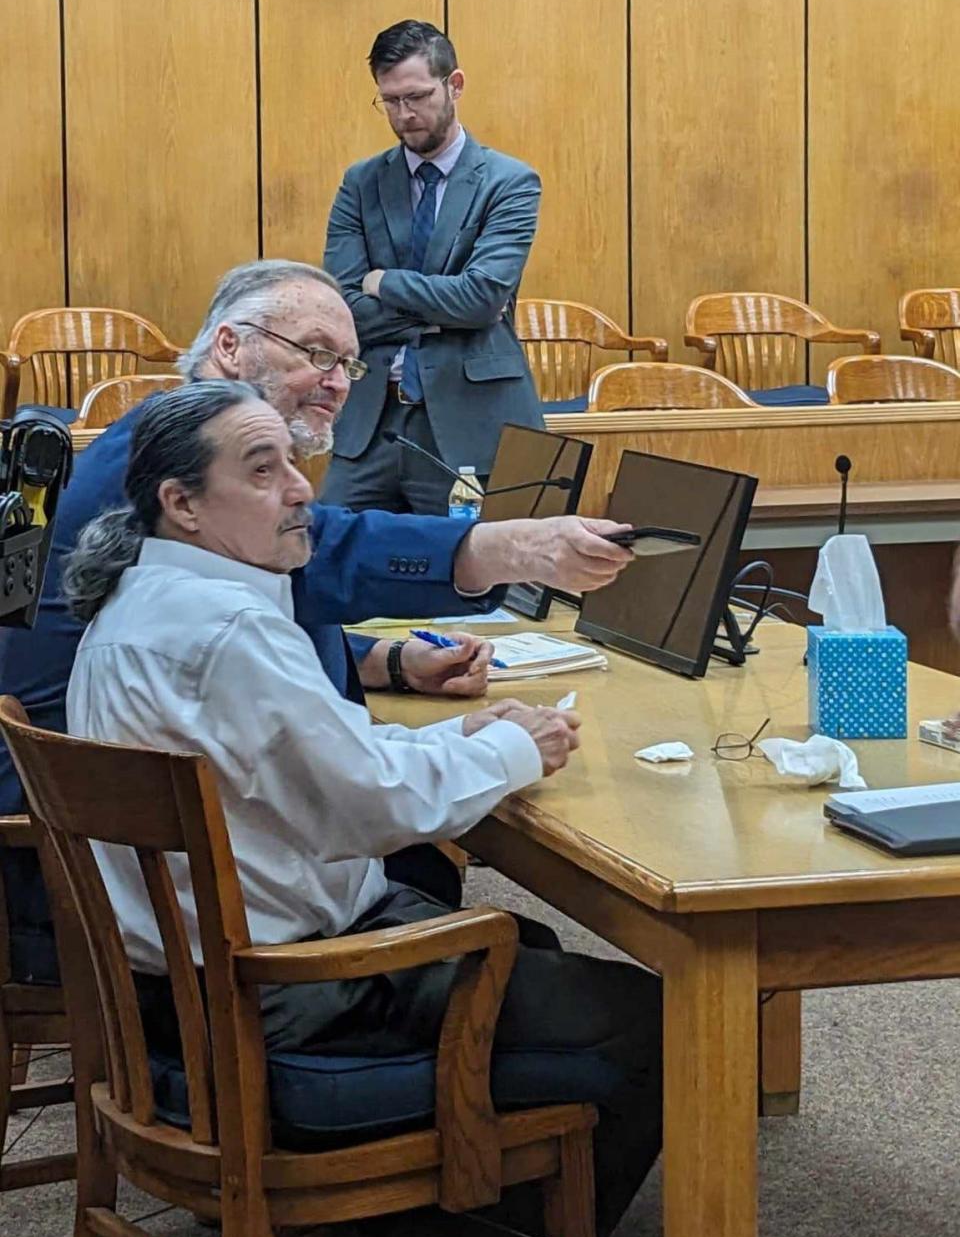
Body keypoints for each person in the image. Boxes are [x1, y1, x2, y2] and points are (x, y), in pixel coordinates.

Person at [63, 380, 662, 1237]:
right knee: (652, 1019)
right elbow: (371, 811)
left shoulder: (149, 599)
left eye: (294, 466)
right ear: (181, 503)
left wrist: (460, 742)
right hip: (288, 998)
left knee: (528, 952)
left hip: (172, 995)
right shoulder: (230, 631)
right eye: (262, 472)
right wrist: (515, 747)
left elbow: (317, 759)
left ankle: (390, 1235)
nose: (301, 489)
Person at [0, 258, 635, 980]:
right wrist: (513, 545)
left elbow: (232, 627)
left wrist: (384, 661)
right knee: (436, 876)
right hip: (105, 862)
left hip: (149, 828)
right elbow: (323, 557)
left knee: (455, 893)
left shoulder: (177, 462)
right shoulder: (168, 458)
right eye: (317, 352)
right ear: (230, 347)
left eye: (350, 365)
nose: (337, 381)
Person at [322, 20, 544, 514]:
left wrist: (384, 283)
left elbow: (482, 298)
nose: (405, 114)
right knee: (325, 562)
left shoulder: (509, 182)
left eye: (418, 96)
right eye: (391, 101)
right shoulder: (360, 183)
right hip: (371, 423)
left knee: (478, 580)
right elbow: (343, 306)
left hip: (470, 423)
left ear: (455, 85)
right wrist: (446, 309)